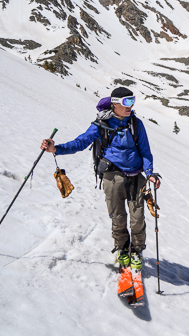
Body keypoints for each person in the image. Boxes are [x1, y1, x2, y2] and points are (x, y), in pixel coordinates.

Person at [41, 87, 161, 270]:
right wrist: (56, 148)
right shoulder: (101, 124)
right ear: (115, 104)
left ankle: (136, 251)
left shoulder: (136, 124)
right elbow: (80, 143)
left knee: (138, 219)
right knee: (118, 217)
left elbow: (145, 151)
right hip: (112, 176)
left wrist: (150, 172)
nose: (131, 105)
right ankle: (122, 249)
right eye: (127, 101)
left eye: (133, 100)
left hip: (137, 176)